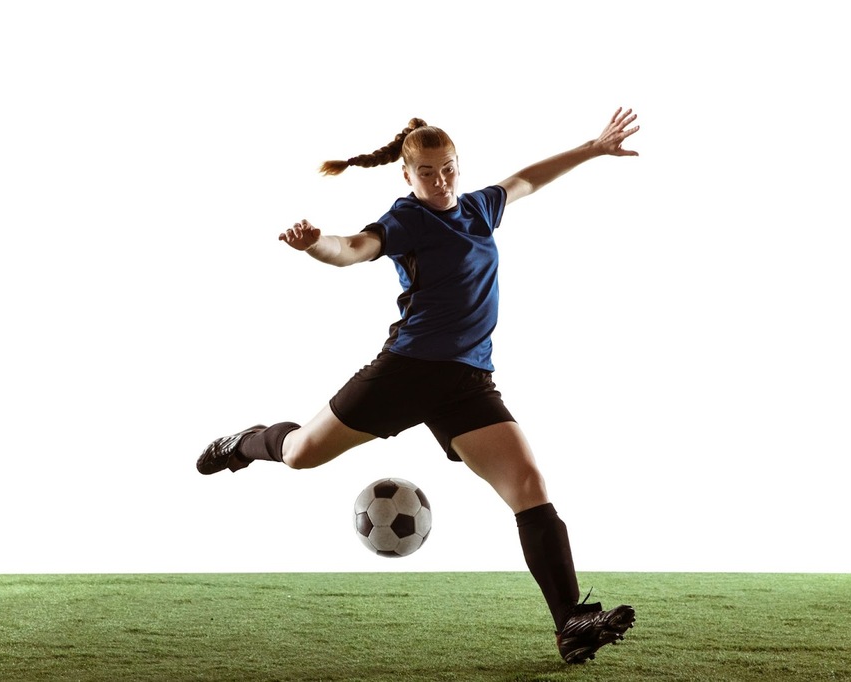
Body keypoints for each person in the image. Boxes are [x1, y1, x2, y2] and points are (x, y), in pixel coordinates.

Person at [197, 108, 641, 664]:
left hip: (468, 381)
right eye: (427, 172)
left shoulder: (479, 208)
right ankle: (244, 443)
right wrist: (315, 244)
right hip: (405, 374)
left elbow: (527, 178)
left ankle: (571, 621)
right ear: (407, 175)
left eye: (448, 168)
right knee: (298, 455)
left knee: (527, 484)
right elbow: (353, 248)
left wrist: (593, 147)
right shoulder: (406, 219)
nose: (441, 181)